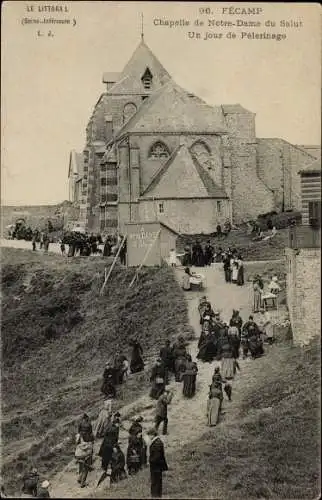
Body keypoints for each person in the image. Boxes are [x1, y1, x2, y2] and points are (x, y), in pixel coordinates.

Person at [97, 414, 121, 487]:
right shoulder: (114, 429)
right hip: (109, 448)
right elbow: (112, 439)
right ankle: (110, 480)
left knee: (105, 463)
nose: (119, 425)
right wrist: (114, 446)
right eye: (119, 424)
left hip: (105, 447)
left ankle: (103, 478)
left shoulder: (110, 427)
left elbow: (107, 438)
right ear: (116, 423)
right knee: (111, 462)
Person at [147, 428, 168, 499]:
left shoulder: (157, 443)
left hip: (156, 467)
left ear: (153, 435)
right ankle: (157, 496)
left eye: (149, 435)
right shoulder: (157, 442)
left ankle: (155, 496)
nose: (149, 437)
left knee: (155, 482)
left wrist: (150, 461)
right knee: (156, 482)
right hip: (157, 467)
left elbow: (157, 456)